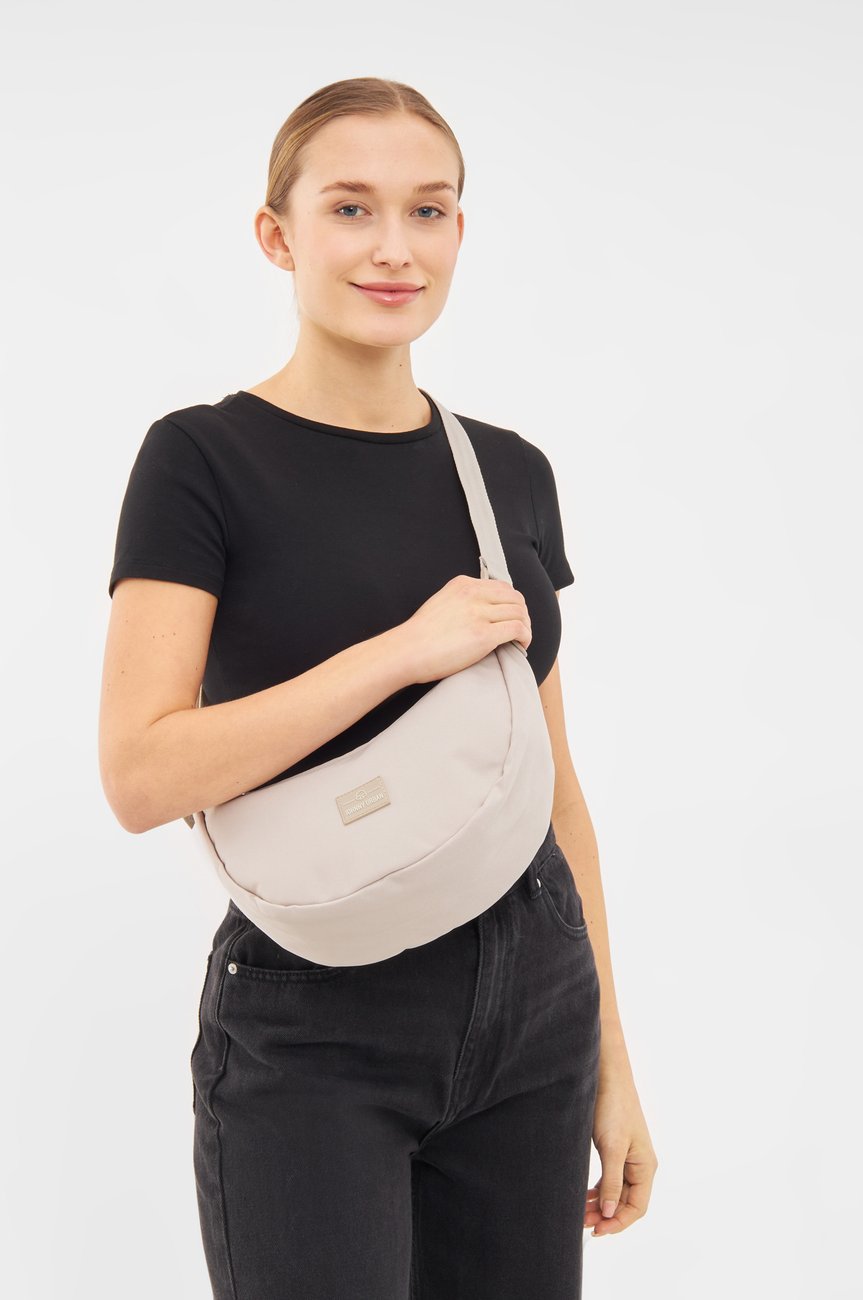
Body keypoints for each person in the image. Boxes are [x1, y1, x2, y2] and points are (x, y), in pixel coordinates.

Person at [99, 76, 657, 1300]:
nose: (395, 247)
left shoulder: (508, 472)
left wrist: (612, 1059)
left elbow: (557, 792)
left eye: (429, 210)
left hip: (537, 998)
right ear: (278, 234)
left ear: (461, 230)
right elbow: (141, 774)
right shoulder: (202, 460)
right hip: (316, 1017)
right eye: (351, 208)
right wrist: (399, 652)